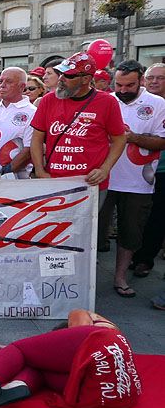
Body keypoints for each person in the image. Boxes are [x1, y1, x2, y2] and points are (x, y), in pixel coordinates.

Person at [0, 322, 139, 408]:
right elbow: (46, 356)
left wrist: (11, 351)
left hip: (99, 344)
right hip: (101, 391)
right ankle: (17, 386)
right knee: (39, 367)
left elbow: (28, 349)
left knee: (20, 350)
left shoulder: (82, 320)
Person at [96, 61, 165, 298]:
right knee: (94, 231)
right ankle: (88, 278)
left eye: (129, 85)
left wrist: (133, 138)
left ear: (142, 82)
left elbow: (162, 141)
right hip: (102, 178)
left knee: (130, 232)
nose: (123, 90)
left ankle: (120, 277)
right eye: (118, 84)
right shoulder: (105, 100)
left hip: (138, 182)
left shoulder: (158, 104)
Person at [30, 52, 127, 195]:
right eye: (61, 73)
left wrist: (105, 169)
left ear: (86, 79)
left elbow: (119, 139)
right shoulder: (48, 100)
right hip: (54, 182)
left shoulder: (107, 102)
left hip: (90, 184)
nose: (61, 79)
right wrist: (40, 171)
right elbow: (37, 138)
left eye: (68, 75)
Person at [132, 63, 165, 280]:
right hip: (136, 170)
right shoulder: (136, 103)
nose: (153, 81)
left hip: (161, 171)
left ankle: (144, 259)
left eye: (160, 78)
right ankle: (132, 255)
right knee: (137, 217)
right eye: (150, 77)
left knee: (157, 217)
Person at [0, 67, 36, 179]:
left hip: (15, 182)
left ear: (22, 87)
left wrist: (1, 174)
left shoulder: (32, 112)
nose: (2, 85)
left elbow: (29, 150)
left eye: (9, 82)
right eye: (1, 81)